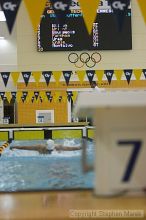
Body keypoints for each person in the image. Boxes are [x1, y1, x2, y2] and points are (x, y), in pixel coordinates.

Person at [10, 139, 82, 154]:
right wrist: (15, 147)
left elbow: (71, 149)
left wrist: (80, 148)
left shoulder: (58, 147)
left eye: (51, 150)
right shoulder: (39, 147)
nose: (50, 152)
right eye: (49, 150)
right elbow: (26, 147)